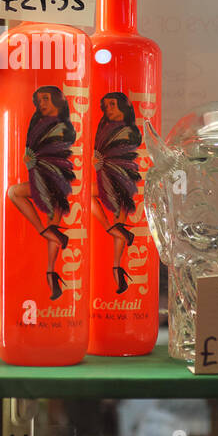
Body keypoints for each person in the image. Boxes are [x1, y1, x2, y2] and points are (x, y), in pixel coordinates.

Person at [7, 86, 77, 301]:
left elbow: (61, 148)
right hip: (41, 177)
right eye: (39, 100)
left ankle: (51, 273)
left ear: (57, 100)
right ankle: (46, 237)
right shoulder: (38, 123)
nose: (42, 104)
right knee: (14, 193)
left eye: (46, 99)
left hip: (57, 179)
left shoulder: (63, 125)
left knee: (51, 220)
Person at [92, 92, 142, 295]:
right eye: (106, 105)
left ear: (123, 107)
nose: (108, 109)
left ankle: (118, 269)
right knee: (86, 195)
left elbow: (122, 155)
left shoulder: (128, 130)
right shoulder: (103, 127)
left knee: (119, 216)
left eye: (112, 104)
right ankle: (113, 232)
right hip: (106, 177)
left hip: (121, 179)